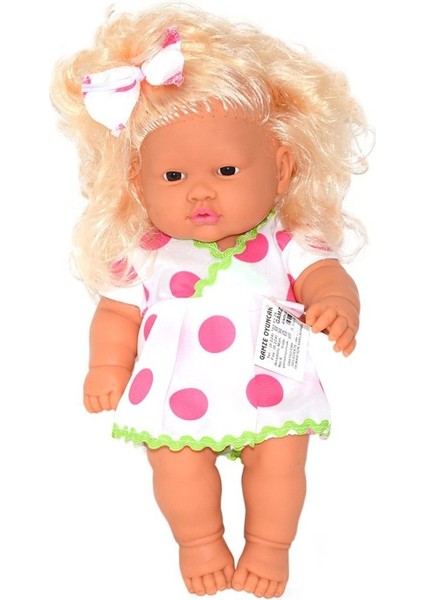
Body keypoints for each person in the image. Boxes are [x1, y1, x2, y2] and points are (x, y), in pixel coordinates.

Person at [51, 3, 369, 597]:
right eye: (173, 178)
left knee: (280, 464)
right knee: (176, 467)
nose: (200, 191)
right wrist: (107, 366)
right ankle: (199, 542)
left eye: (225, 170)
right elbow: (117, 312)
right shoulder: (147, 251)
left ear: (281, 168)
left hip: (269, 390)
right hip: (177, 393)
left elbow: (325, 274)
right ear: (138, 184)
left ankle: (269, 546)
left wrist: (336, 303)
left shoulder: (283, 239)